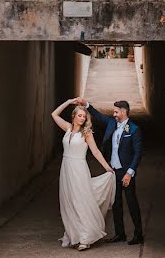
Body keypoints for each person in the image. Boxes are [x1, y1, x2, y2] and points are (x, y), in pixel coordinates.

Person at [76, 96, 144, 245]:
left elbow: (138, 153)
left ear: (124, 112)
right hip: (114, 171)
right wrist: (86, 104)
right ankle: (120, 234)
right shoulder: (112, 124)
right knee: (116, 203)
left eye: (116, 112)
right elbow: (99, 116)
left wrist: (129, 173)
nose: (113, 114)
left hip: (126, 173)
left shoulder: (134, 130)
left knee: (132, 202)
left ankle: (139, 234)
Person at [50, 98, 116, 251]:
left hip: (79, 169)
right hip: (66, 169)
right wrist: (68, 102)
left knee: (81, 201)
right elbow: (54, 114)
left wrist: (108, 168)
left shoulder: (87, 133)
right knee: (69, 202)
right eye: (79, 115)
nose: (82, 118)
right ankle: (75, 234)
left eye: (84, 116)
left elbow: (96, 152)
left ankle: (86, 238)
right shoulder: (67, 128)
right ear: (73, 116)